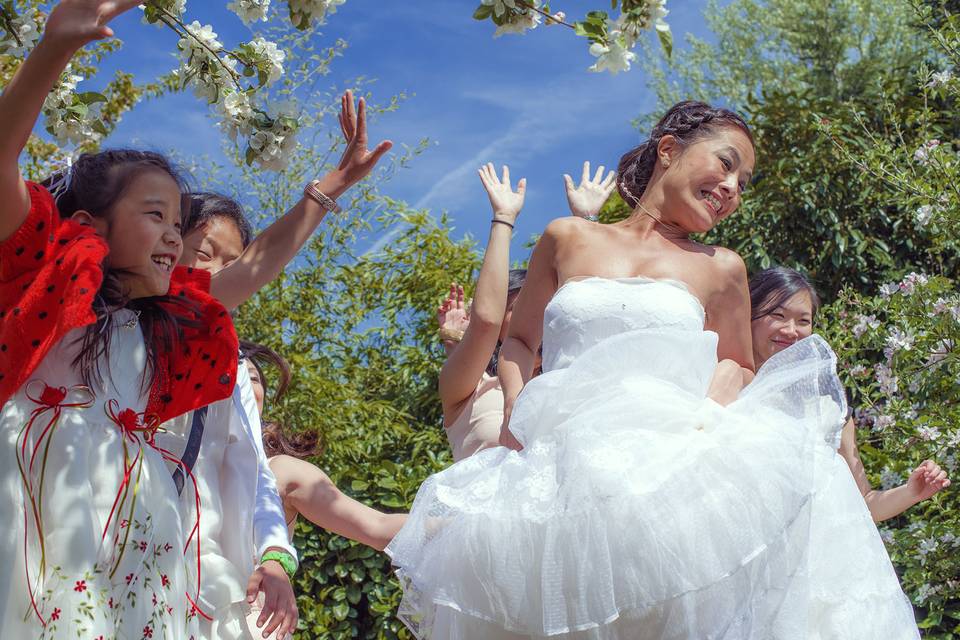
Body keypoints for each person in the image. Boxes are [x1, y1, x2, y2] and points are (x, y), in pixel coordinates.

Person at [386, 101, 874, 638]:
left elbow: (738, 363)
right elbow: (520, 339)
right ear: (670, 150)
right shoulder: (566, 238)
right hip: (558, 468)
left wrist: (703, 425)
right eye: (726, 164)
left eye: (744, 182)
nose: (734, 187)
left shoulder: (722, 268)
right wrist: (516, 410)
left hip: (670, 479)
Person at [0, 2, 237, 638]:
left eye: (179, 222)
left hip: (136, 525)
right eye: (155, 214)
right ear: (89, 224)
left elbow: (255, 269)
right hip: (39, 509)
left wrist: (321, 197)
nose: (173, 235)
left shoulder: (171, 320)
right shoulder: (43, 274)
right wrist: (53, 51)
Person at [165, 94, 392, 640]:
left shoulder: (226, 358)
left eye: (231, 258)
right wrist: (331, 184)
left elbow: (254, 473)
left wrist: (275, 559)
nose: (219, 271)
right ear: (165, 242)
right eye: (204, 252)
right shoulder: (122, 313)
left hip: (206, 570)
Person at [748, 266, 948, 637]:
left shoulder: (829, 403)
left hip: (835, 576)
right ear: (748, 313)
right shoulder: (726, 389)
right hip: (763, 571)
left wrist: (913, 491)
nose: (791, 331)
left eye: (803, 321)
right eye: (778, 315)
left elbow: (864, 504)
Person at [437, 162, 613, 460]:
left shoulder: (565, 382)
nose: (540, 315)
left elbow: (597, 315)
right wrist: (503, 218)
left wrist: (586, 222)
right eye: (520, 307)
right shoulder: (471, 389)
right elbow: (486, 322)